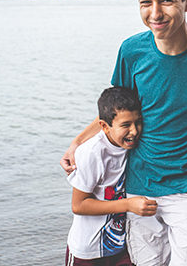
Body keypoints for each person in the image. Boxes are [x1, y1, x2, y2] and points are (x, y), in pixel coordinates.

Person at [60, 0, 187, 265]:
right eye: (145, 2)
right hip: (139, 189)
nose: (154, 13)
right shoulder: (132, 51)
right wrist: (77, 143)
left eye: (166, 1)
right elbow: (115, 114)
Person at [65, 86, 157, 266]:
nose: (134, 131)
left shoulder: (132, 144)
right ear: (104, 127)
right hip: (87, 250)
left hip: (121, 246)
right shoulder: (92, 153)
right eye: (125, 125)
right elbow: (78, 205)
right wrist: (128, 205)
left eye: (138, 122)